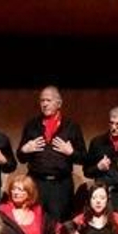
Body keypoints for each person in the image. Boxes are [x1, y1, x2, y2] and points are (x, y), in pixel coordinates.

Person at [17, 86, 85, 219]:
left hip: (60, 185)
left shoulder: (72, 126)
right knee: (34, 220)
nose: (44, 104)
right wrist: (25, 150)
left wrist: (70, 152)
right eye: (42, 101)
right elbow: (20, 157)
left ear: (59, 103)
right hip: (36, 182)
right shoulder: (31, 125)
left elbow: (83, 158)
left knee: (60, 224)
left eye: (48, 100)